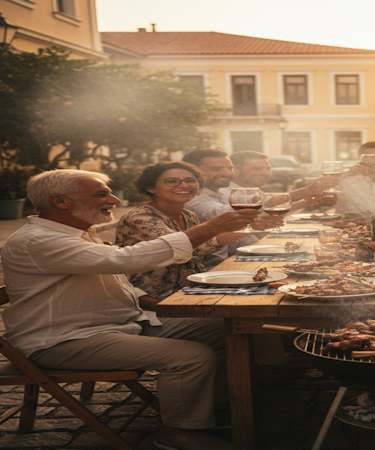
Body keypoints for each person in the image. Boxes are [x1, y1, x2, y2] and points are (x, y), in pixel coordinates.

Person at [1, 169, 261, 449]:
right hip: (63, 340)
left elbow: (111, 275)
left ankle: (215, 410)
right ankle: (179, 432)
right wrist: (210, 228)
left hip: (121, 324)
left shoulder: (76, 232)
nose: (113, 200)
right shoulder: (39, 240)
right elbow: (126, 260)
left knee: (228, 324)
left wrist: (145, 298)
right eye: (102, 193)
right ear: (61, 202)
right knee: (192, 357)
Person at [115, 162, 243, 299]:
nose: (184, 185)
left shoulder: (188, 215)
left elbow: (197, 249)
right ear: (151, 188)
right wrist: (217, 227)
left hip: (190, 289)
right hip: (156, 299)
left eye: (190, 180)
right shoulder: (140, 217)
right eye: (172, 181)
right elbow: (177, 249)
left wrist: (245, 228)